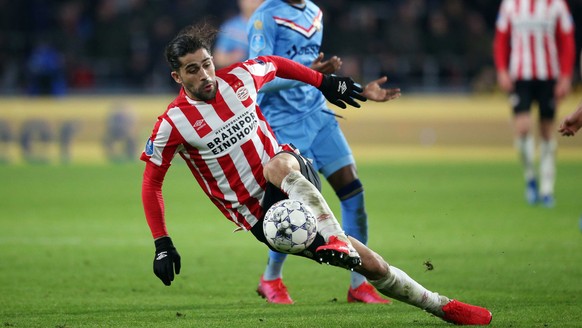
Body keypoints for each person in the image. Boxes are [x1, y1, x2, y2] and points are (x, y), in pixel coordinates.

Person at [140, 23, 492, 326]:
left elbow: (275, 64)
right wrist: (162, 243)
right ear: (177, 77)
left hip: (290, 170)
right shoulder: (173, 123)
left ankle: (336, 237)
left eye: (206, 65)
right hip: (265, 219)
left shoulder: (240, 78)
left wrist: (323, 81)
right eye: (192, 71)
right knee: (369, 263)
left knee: (275, 164)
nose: (204, 76)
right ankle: (441, 306)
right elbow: (152, 182)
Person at [247, 0, 400, 304]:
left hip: (320, 118)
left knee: (354, 194)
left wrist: (359, 90)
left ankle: (359, 285)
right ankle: (271, 279)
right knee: (292, 210)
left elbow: (316, 77)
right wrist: (308, 71)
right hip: (283, 125)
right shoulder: (265, 16)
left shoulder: (314, 13)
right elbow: (257, 79)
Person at [493, 0, 575, 207]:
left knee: (547, 131)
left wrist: (565, 76)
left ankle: (547, 188)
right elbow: (501, 39)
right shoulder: (510, 4)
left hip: (548, 76)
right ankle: (530, 177)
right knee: (522, 130)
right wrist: (502, 70)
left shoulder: (557, 4)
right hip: (520, 76)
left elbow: (567, 40)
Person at [213, 0, 263, 68]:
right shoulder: (230, 26)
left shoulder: (272, 27)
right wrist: (233, 57)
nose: (252, 2)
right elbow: (218, 59)